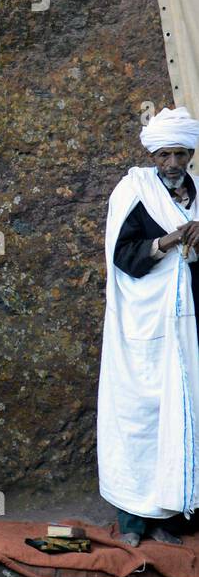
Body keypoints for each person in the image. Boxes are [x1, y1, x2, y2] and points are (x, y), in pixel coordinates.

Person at [100, 106, 199, 547]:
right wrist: (171, 239)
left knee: (187, 411)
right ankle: (134, 518)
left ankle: (177, 511)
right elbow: (123, 258)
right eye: (165, 155)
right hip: (143, 325)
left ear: (191, 153)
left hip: (190, 326)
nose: (173, 164)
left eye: (181, 154)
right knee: (141, 415)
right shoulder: (133, 191)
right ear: (153, 155)